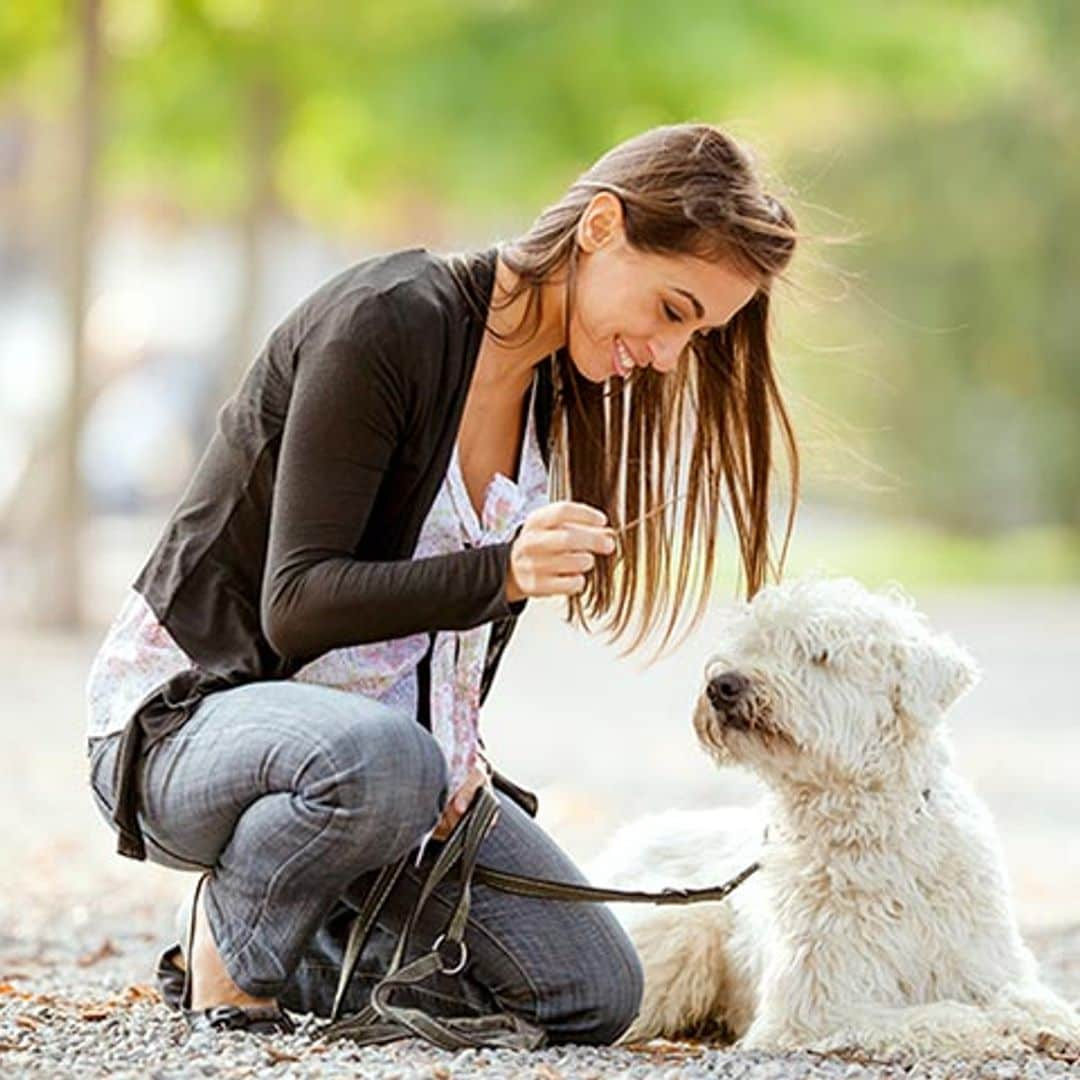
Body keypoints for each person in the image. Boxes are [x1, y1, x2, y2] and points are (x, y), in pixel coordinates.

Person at [84, 121, 800, 1045]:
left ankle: (313, 934)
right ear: (601, 229)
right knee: (387, 763)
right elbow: (297, 603)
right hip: (192, 725)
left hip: (391, 770)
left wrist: (459, 765)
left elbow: (443, 652)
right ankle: (229, 952)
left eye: (694, 333)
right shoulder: (392, 318)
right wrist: (499, 572)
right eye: (672, 310)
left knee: (594, 992)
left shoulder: (556, 390)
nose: (666, 355)